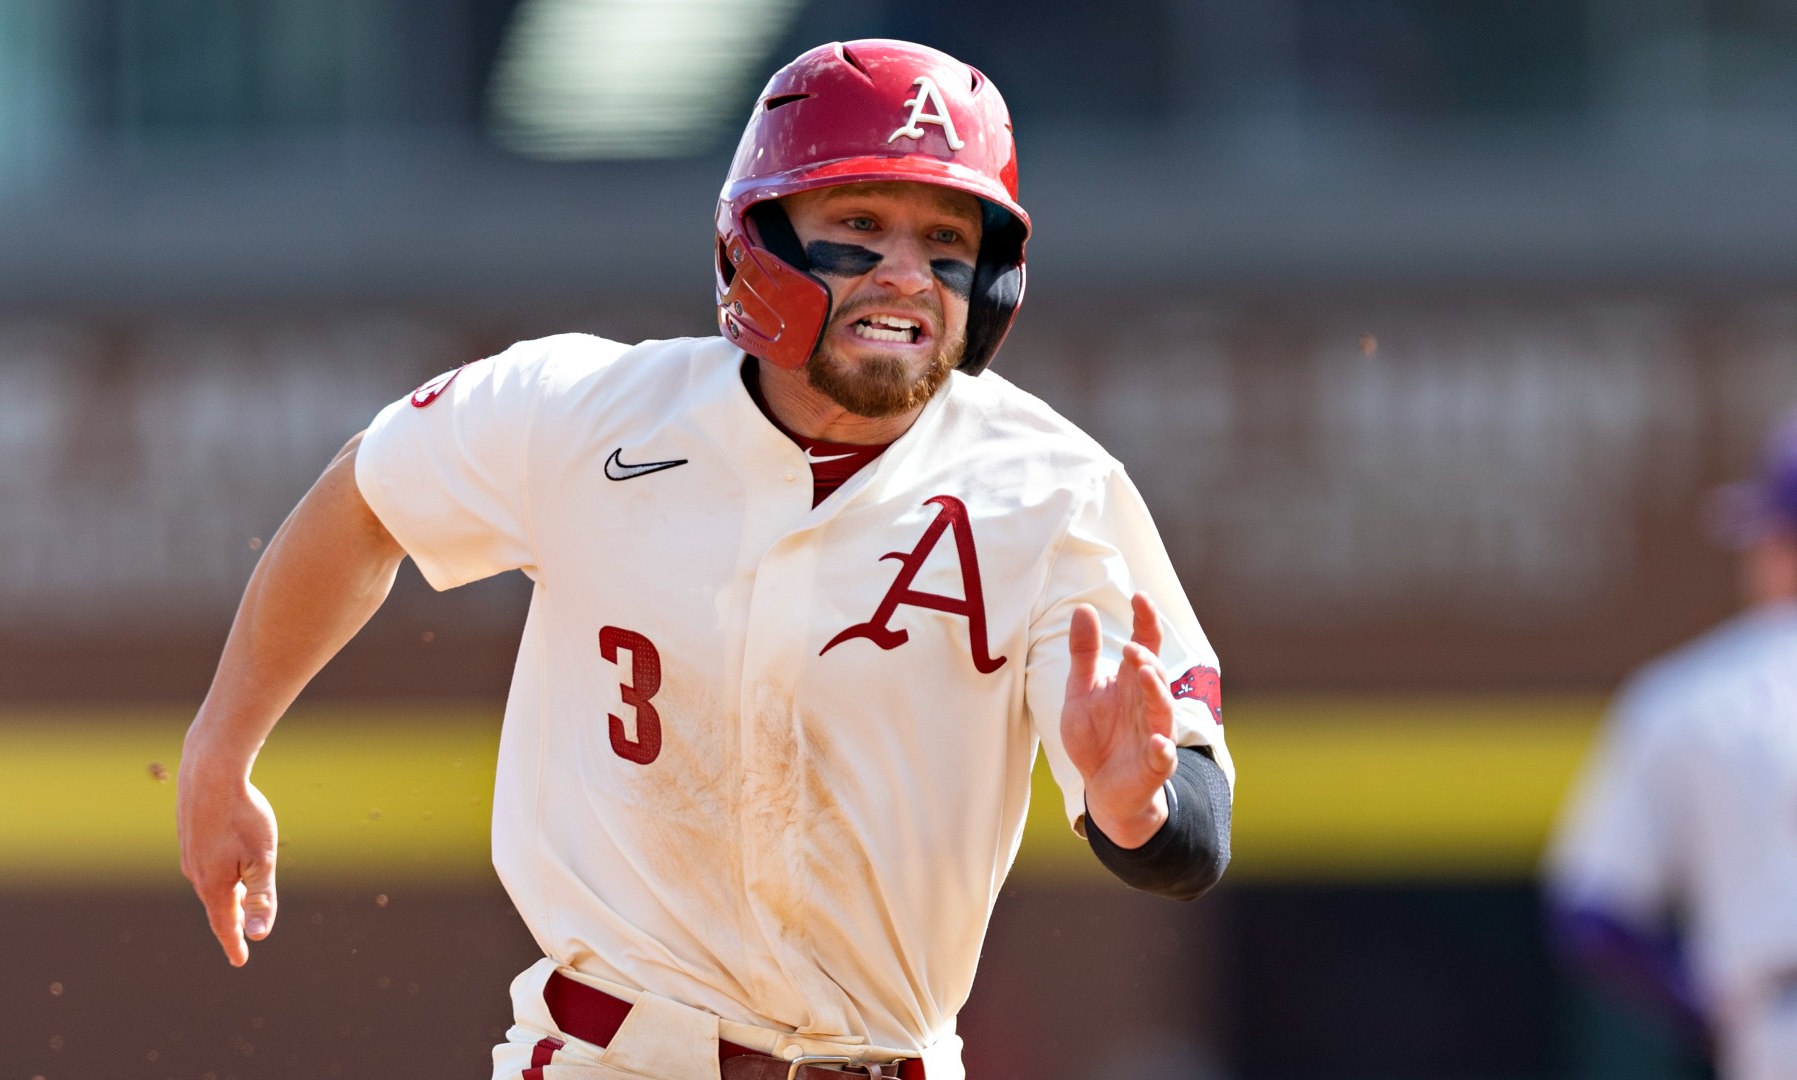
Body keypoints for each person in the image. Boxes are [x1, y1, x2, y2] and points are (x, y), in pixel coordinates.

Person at [176, 40, 1232, 1080]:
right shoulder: (582, 413)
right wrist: (223, 747)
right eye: (858, 226)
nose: (905, 273)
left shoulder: (1052, 493)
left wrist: (1134, 810)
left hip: (884, 1060)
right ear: (754, 242)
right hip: (610, 1057)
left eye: (947, 241)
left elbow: (1193, 821)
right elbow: (369, 494)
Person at [1545, 403, 1797, 1080]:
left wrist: (1709, 1010)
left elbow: (1593, 918)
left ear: (1795, 545)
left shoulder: (1696, 691)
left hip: (1795, 1029)